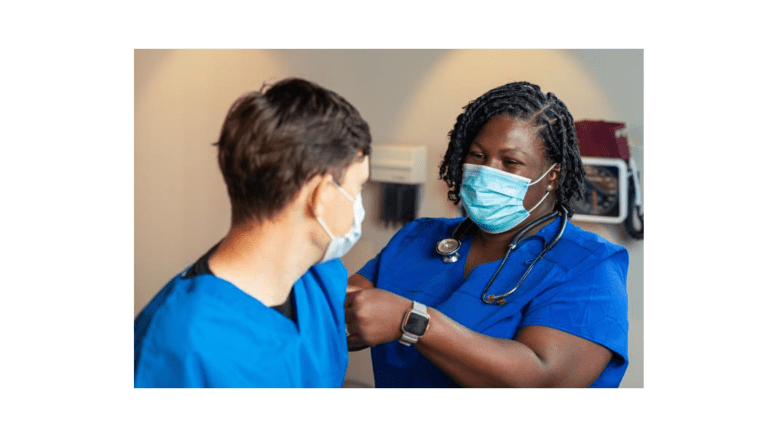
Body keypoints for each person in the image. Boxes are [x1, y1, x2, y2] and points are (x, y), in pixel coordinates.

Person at [345, 81, 628, 388]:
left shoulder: (590, 267)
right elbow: (339, 313)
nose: (488, 172)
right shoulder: (420, 237)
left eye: (511, 162)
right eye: (477, 156)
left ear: (553, 175)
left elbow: (543, 380)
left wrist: (412, 320)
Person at [135, 78, 371, 388]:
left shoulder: (319, 282)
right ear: (322, 195)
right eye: (359, 187)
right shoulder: (180, 343)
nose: (358, 204)